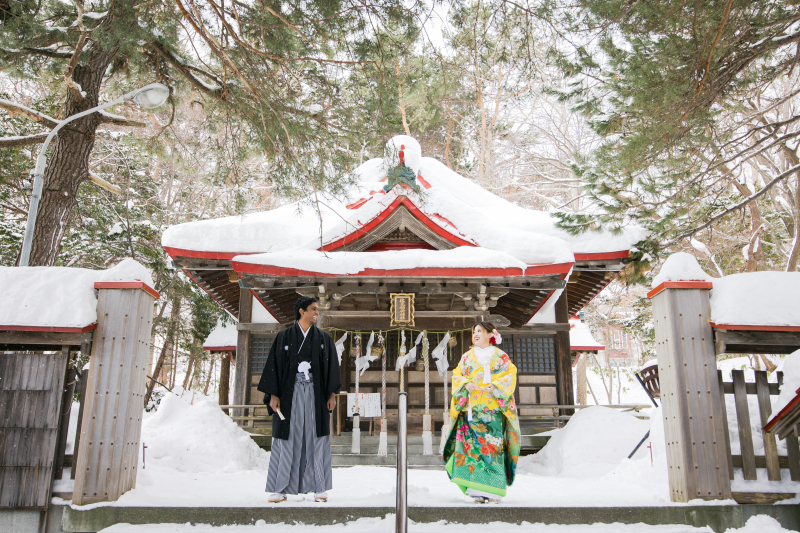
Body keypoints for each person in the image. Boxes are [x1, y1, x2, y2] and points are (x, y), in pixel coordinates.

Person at [257, 296, 341, 503]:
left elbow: (332, 369)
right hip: (288, 394)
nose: (317, 313)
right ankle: (280, 487)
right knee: (287, 438)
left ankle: (319, 486)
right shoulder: (284, 337)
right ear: (301, 311)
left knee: (316, 437)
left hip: (315, 393)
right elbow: (274, 366)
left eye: (317, 309)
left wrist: (332, 394)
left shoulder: (323, 339)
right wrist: (273, 395)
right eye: (313, 309)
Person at [443, 322, 520, 503]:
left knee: (493, 448)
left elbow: (510, 375)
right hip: (472, 409)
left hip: (492, 410)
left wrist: (497, 385)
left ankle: (493, 490)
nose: (475, 334)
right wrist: (465, 384)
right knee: (472, 449)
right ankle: (476, 489)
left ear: (490, 334)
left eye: (479, 331)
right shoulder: (467, 357)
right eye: (473, 331)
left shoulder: (501, 356)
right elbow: (457, 375)